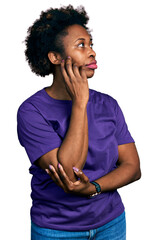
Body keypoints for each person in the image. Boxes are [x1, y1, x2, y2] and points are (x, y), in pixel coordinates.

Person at [17, 5, 141, 240]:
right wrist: (80, 103)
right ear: (54, 57)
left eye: (91, 44)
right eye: (81, 45)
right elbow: (69, 175)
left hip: (111, 223)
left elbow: (132, 167)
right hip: (56, 229)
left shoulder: (109, 104)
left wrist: (93, 187)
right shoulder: (31, 111)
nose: (92, 52)